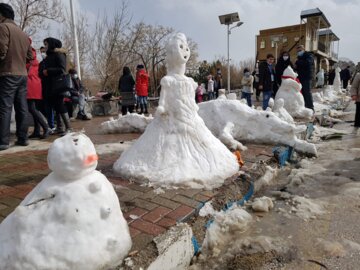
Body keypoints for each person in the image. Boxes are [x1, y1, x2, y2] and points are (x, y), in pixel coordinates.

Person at [0, 3, 33, 150]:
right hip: (22, 75)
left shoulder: (3, 28)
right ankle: (23, 138)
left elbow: (1, 52)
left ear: (2, 14)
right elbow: (30, 56)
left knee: (5, 107)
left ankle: (3, 141)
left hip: (7, 73)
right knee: (22, 108)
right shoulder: (23, 33)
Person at [42, 37, 71, 136]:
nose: (45, 47)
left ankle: (69, 128)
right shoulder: (48, 56)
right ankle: (60, 128)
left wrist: (48, 71)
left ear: (51, 44)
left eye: (46, 44)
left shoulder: (59, 54)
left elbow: (62, 69)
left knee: (60, 105)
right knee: (56, 106)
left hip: (58, 84)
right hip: (51, 85)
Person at [26, 39, 51, 139]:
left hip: (30, 84)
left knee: (31, 108)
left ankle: (46, 127)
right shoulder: (35, 58)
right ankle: (37, 131)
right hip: (35, 84)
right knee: (34, 108)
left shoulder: (28, 58)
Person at [38, 46, 55, 130]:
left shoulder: (52, 61)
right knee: (47, 107)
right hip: (44, 87)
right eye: (41, 52)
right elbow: (40, 74)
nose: (42, 53)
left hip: (53, 86)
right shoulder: (41, 63)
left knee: (54, 107)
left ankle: (55, 125)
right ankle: (51, 125)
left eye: (44, 51)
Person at [295, 45, 314, 110]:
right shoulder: (299, 57)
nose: (299, 52)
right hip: (300, 77)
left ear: (303, 49)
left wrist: (298, 62)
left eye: (300, 50)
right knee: (302, 93)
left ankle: (310, 107)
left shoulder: (309, 55)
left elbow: (308, 63)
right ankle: (305, 106)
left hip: (306, 77)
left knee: (307, 92)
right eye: (297, 51)